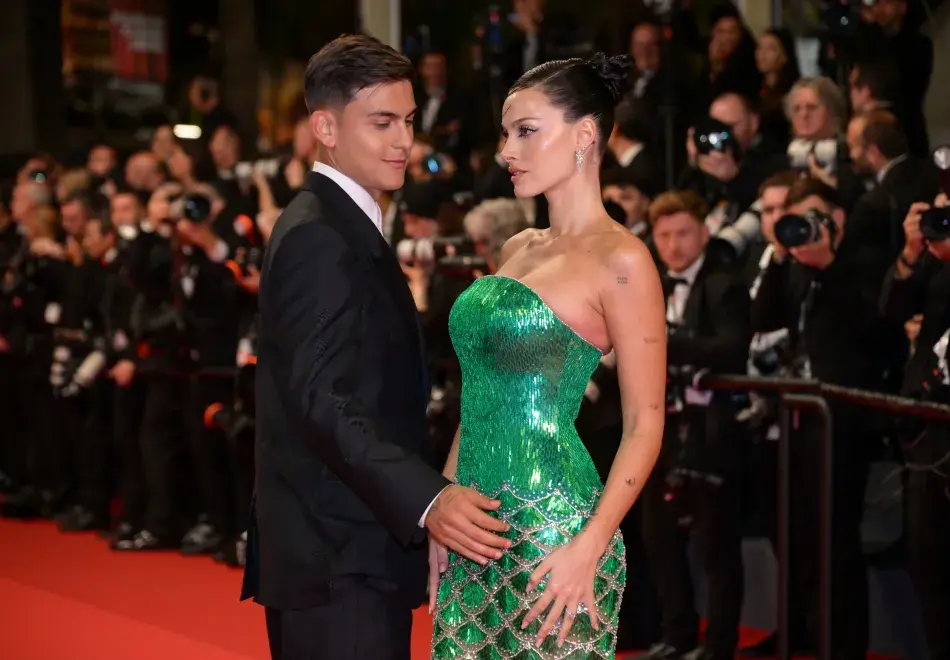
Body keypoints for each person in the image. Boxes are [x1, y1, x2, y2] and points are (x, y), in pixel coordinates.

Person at [242, 35, 513, 660]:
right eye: (382, 122)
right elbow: (321, 399)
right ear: (325, 127)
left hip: (343, 546)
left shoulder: (336, 221)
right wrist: (428, 499)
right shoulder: (321, 235)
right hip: (338, 555)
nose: (403, 141)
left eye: (409, 121)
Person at [429, 53, 667, 659]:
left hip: (556, 535)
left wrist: (588, 546)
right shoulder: (517, 246)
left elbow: (645, 423)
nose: (507, 151)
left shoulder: (624, 260)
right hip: (473, 532)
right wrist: (446, 505)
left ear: (586, 134)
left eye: (527, 131)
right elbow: (479, 393)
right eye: (507, 134)